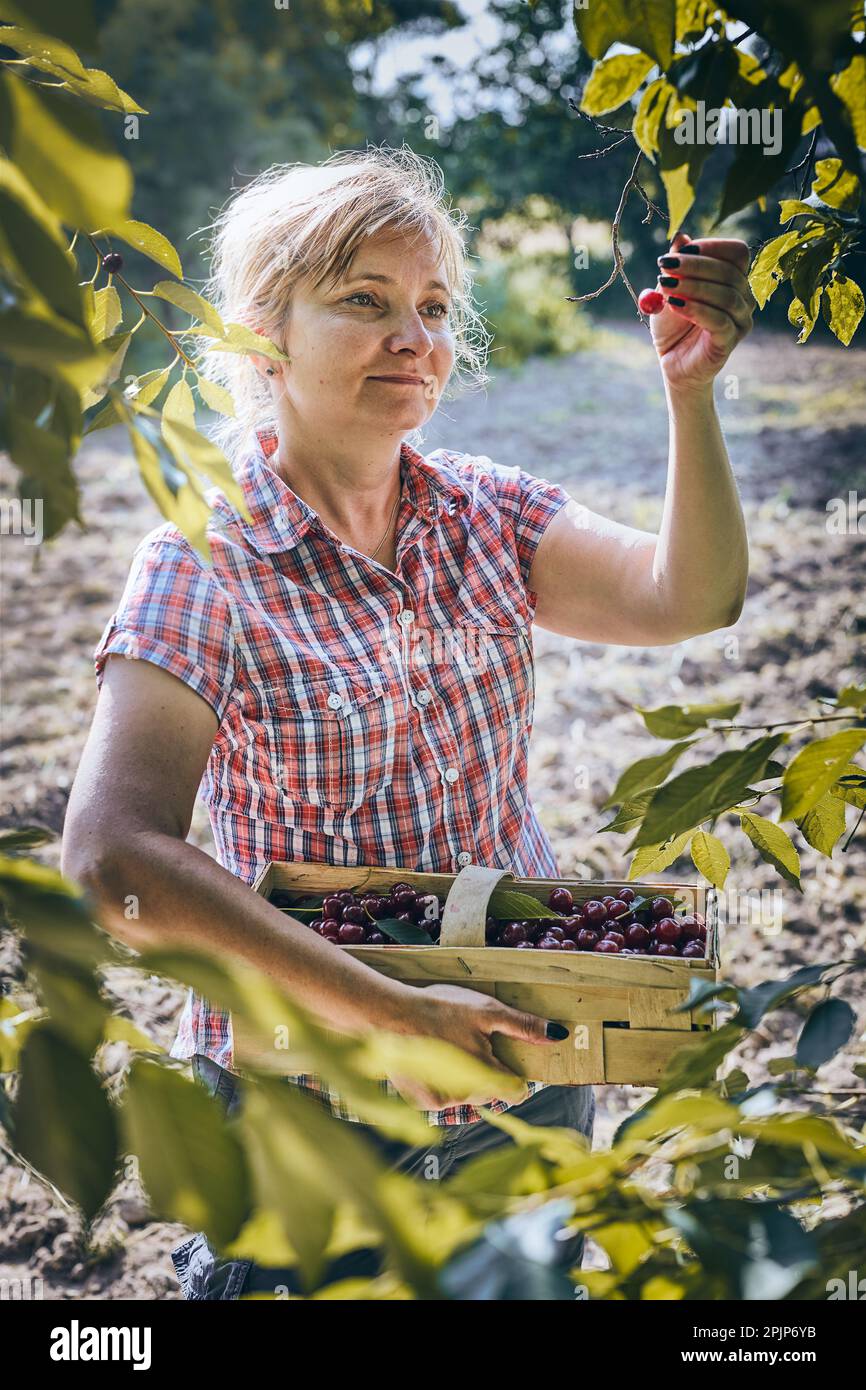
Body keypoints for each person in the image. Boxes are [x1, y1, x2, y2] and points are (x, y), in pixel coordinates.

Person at [61, 145, 753, 1300]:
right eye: (364, 302)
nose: (413, 336)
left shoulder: (486, 512)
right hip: (312, 1095)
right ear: (260, 334)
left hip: (517, 1049)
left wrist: (689, 390)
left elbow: (691, 596)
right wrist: (386, 1012)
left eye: (431, 307)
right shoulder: (202, 559)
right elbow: (110, 859)